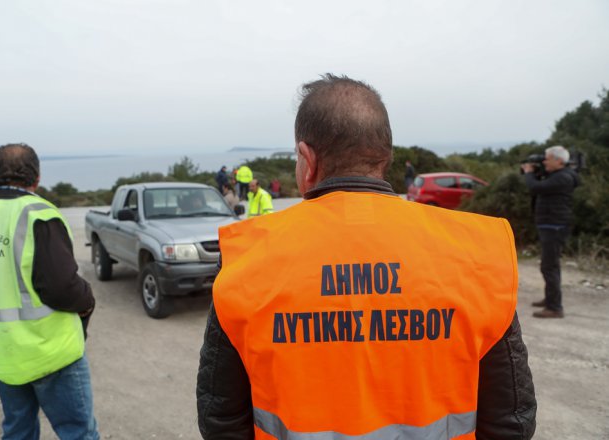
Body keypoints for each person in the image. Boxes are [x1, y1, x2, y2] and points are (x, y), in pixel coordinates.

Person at [197, 74, 536, 439]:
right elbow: (511, 419)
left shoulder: (248, 256)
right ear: (385, 157)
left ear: (306, 160)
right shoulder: (475, 250)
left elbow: (221, 417)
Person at [0, 143, 99, 439]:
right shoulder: (38, 214)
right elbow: (63, 288)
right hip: (51, 352)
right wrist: (87, 301)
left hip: (1, 353)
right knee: (78, 433)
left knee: (18, 431)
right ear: (37, 177)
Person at [522, 145, 580, 318]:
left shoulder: (563, 178)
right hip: (551, 224)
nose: (544, 161)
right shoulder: (559, 175)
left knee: (549, 266)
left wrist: (529, 173)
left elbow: (535, 188)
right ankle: (550, 299)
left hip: (553, 225)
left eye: (548, 158)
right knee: (549, 265)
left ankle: (555, 307)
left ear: (559, 161)